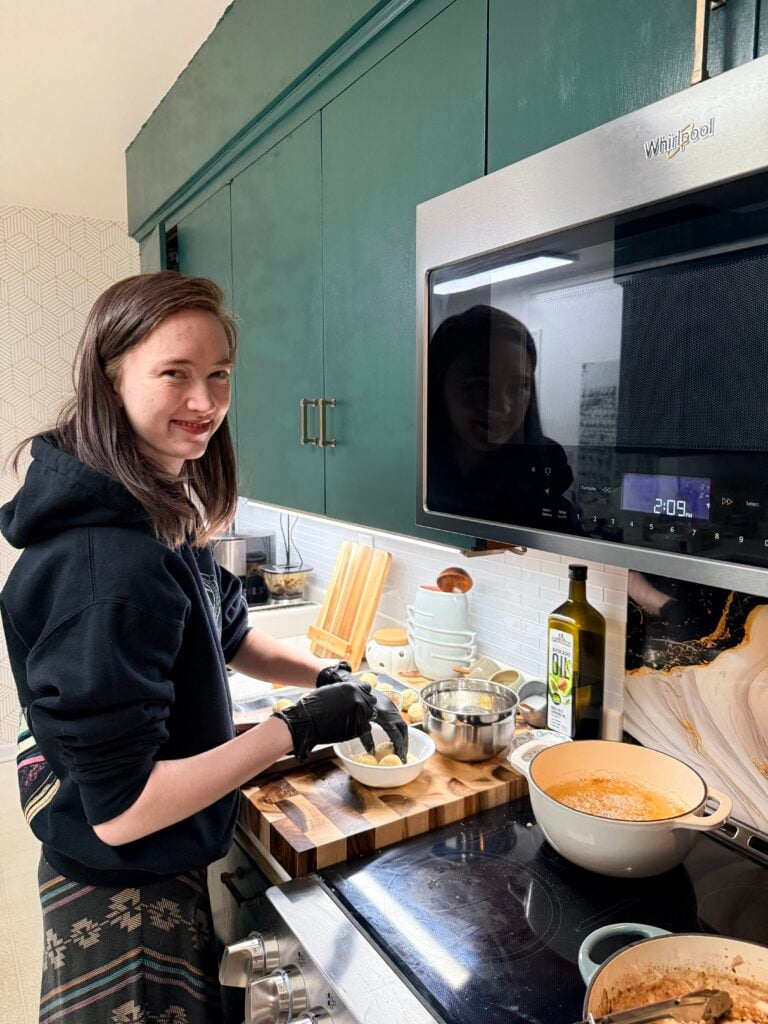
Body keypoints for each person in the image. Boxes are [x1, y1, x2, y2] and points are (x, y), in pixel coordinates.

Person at [0, 271, 407, 1024]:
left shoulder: (155, 500)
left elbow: (230, 636)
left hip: (157, 861)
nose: (206, 402)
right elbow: (122, 812)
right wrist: (301, 725)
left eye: (218, 374)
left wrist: (328, 674)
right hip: (120, 892)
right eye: (174, 374)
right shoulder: (108, 568)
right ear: (110, 376)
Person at [426, 304, 578, 528]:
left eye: (519, 386)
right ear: (439, 386)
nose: (503, 407)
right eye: (480, 385)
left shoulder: (545, 483)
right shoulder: (412, 473)